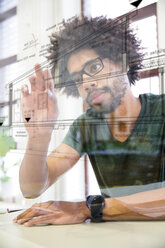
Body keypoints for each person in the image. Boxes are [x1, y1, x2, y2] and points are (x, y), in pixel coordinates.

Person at [14, 16, 165, 227]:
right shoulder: (86, 126)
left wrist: (88, 208)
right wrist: (38, 138)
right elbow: (31, 188)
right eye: (78, 79)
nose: (86, 83)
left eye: (93, 68)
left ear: (123, 62)